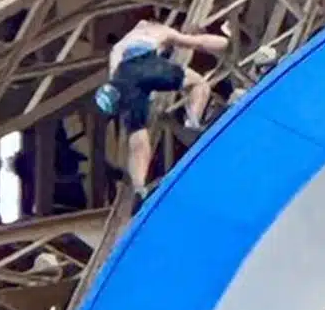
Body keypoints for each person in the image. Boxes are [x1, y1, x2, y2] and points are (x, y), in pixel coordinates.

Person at [94, 20, 228, 203]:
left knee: (137, 135)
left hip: (122, 78)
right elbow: (198, 42)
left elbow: (115, 77)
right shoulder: (157, 31)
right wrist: (228, 43)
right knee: (198, 83)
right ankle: (192, 123)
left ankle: (139, 188)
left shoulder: (119, 46)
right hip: (146, 62)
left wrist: (137, 98)